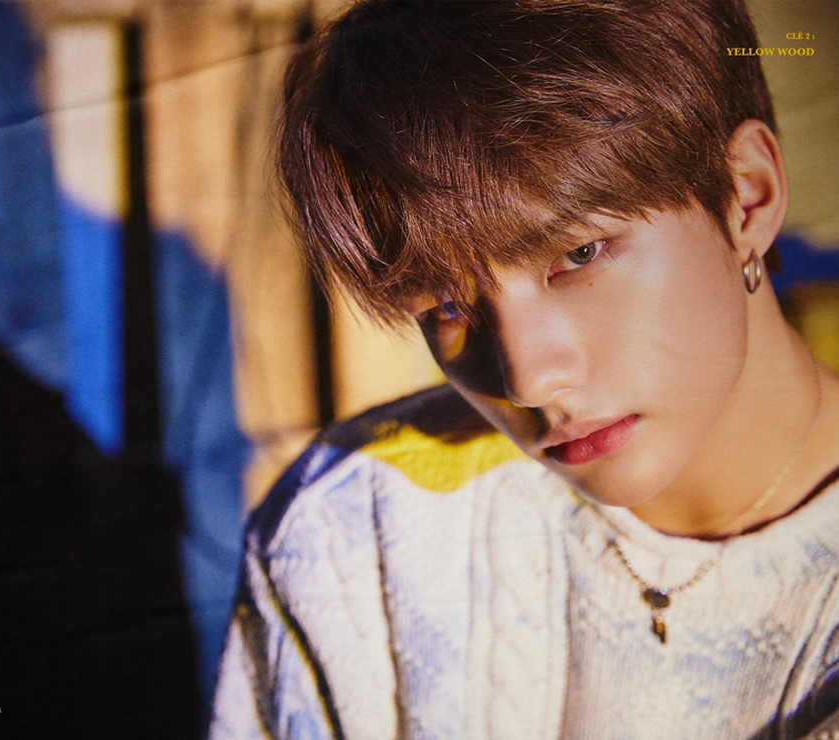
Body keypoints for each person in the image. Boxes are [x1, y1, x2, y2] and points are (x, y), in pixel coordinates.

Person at [209, 0, 839, 737]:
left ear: (746, 196)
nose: (529, 380)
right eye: (445, 306)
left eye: (578, 255)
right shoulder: (357, 525)